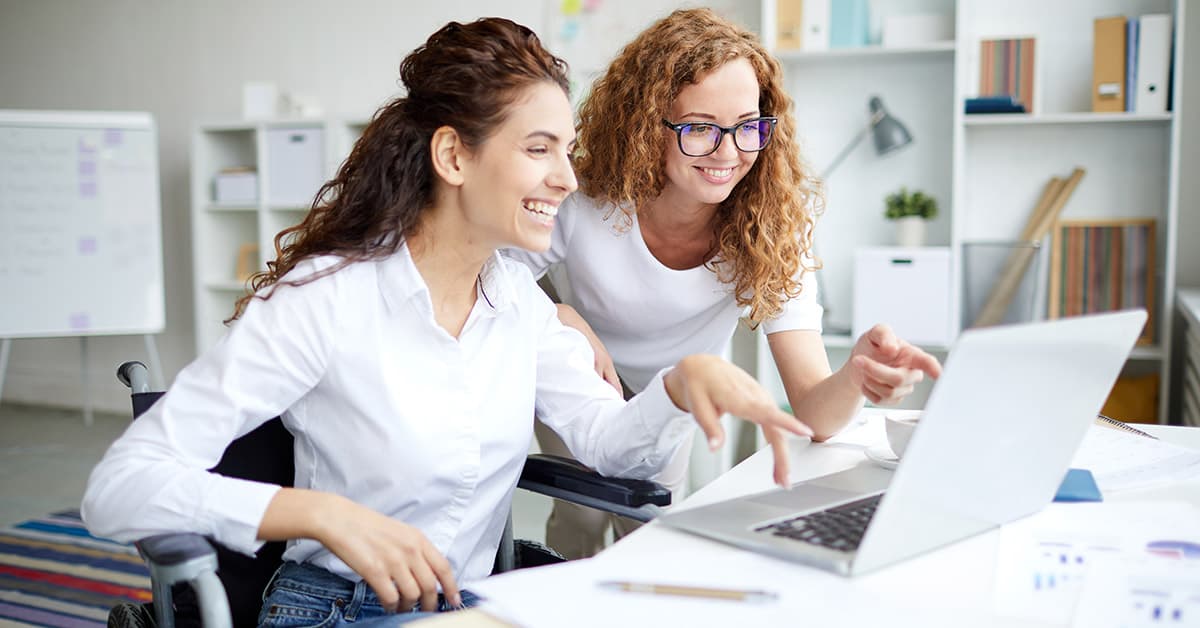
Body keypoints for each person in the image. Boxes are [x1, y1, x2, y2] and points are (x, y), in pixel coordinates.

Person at [81, 16, 813, 627]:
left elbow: (608, 445)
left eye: (565, 151)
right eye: (539, 149)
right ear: (454, 155)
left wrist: (682, 384)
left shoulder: (516, 303)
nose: (567, 178)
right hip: (337, 609)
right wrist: (319, 514)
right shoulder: (325, 299)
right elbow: (119, 487)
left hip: (469, 605)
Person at [505, 8, 942, 560]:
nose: (729, 152)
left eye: (746, 126)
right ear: (647, 125)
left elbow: (814, 412)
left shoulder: (773, 227)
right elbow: (491, 275)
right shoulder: (585, 198)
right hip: (582, 381)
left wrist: (856, 375)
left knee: (649, 534)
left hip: (678, 397)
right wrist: (559, 315)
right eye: (700, 128)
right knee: (582, 517)